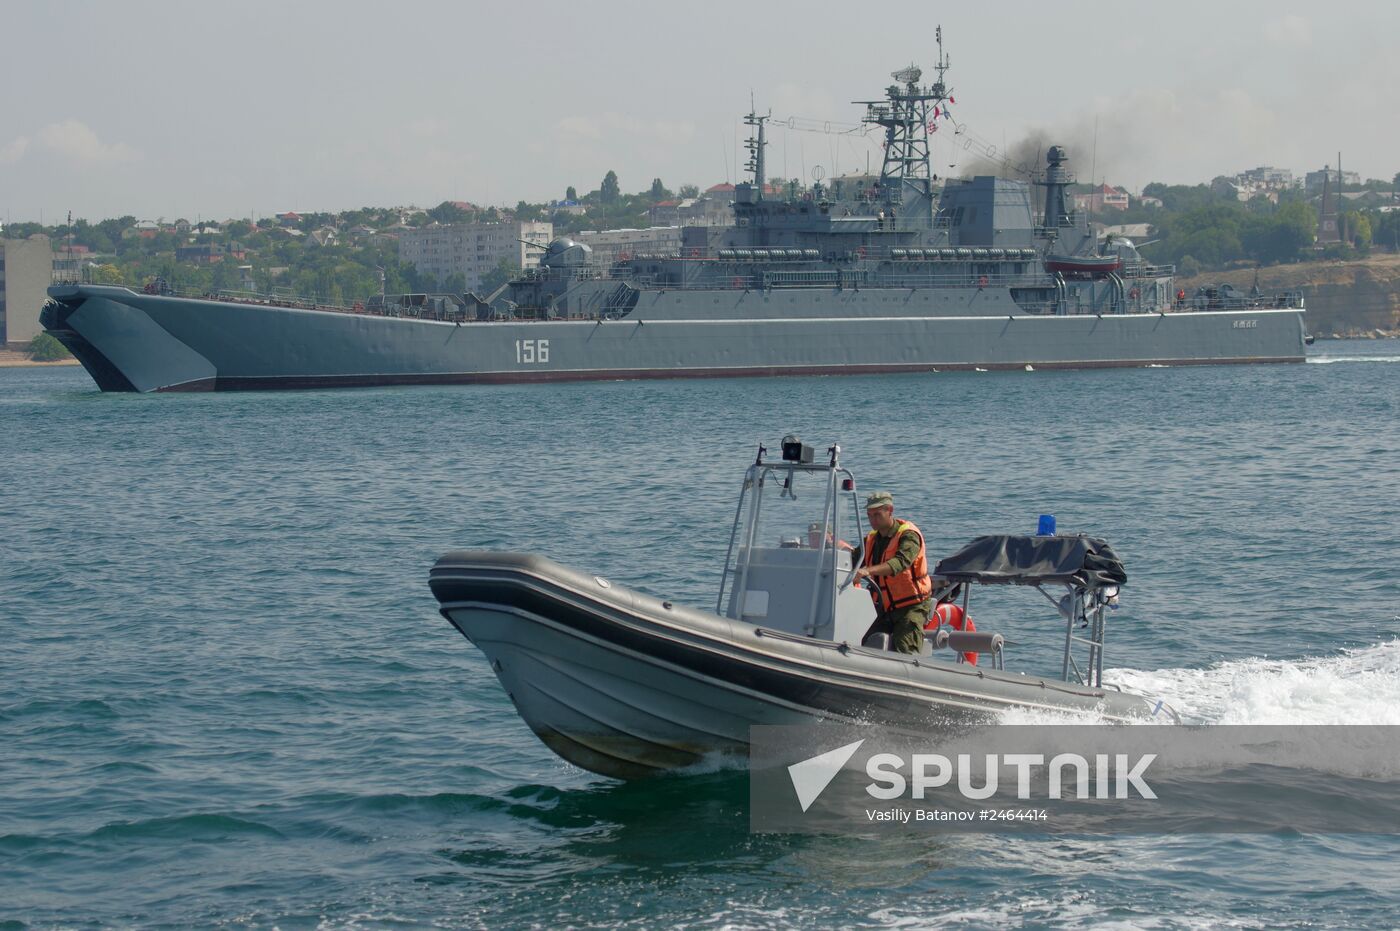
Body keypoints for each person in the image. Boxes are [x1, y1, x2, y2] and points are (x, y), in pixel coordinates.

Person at [851, 491, 933, 654]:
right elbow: (852, 559)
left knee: (904, 646)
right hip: (884, 607)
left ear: (890, 510)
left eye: (877, 514)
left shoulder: (908, 535)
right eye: (869, 515)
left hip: (911, 606)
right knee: (859, 639)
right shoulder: (871, 539)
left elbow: (900, 563)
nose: (873, 520)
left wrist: (867, 570)